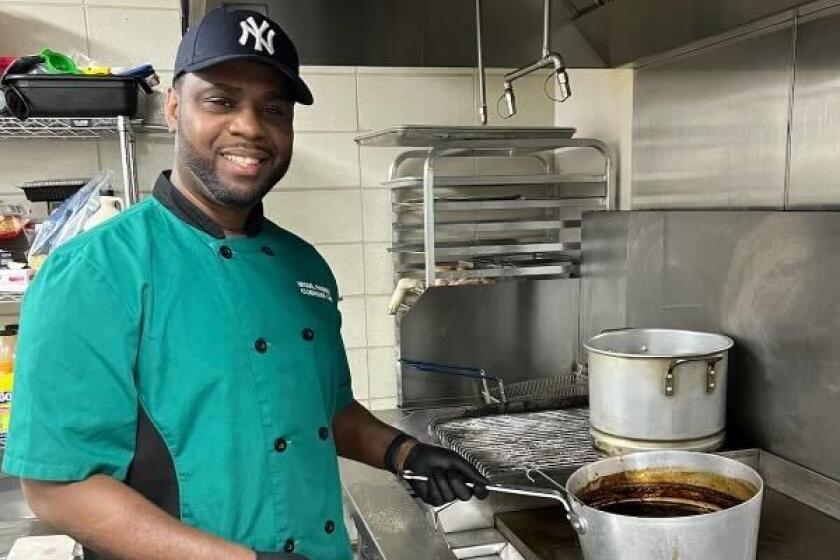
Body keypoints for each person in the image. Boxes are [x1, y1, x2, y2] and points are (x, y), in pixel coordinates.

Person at [1, 9, 487, 560]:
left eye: (273, 109)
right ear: (173, 108)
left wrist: (403, 453)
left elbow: (323, 408)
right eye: (222, 100)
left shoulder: (304, 267)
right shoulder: (94, 270)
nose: (251, 127)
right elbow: (58, 488)